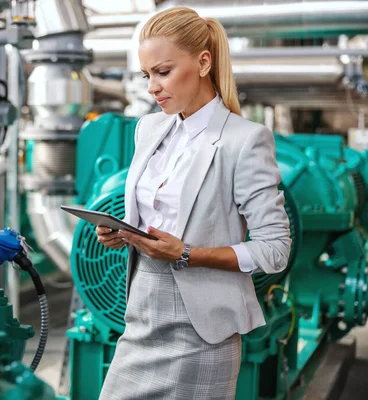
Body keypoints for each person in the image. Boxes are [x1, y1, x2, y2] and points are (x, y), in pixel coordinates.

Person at [95, 7, 292, 400]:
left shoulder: (245, 140)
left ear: (203, 62)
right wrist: (124, 232)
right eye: (146, 75)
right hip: (141, 316)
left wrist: (188, 253)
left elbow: (275, 249)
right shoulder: (148, 129)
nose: (152, 87)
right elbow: (157, 216)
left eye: (163, 72)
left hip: (203, 332)